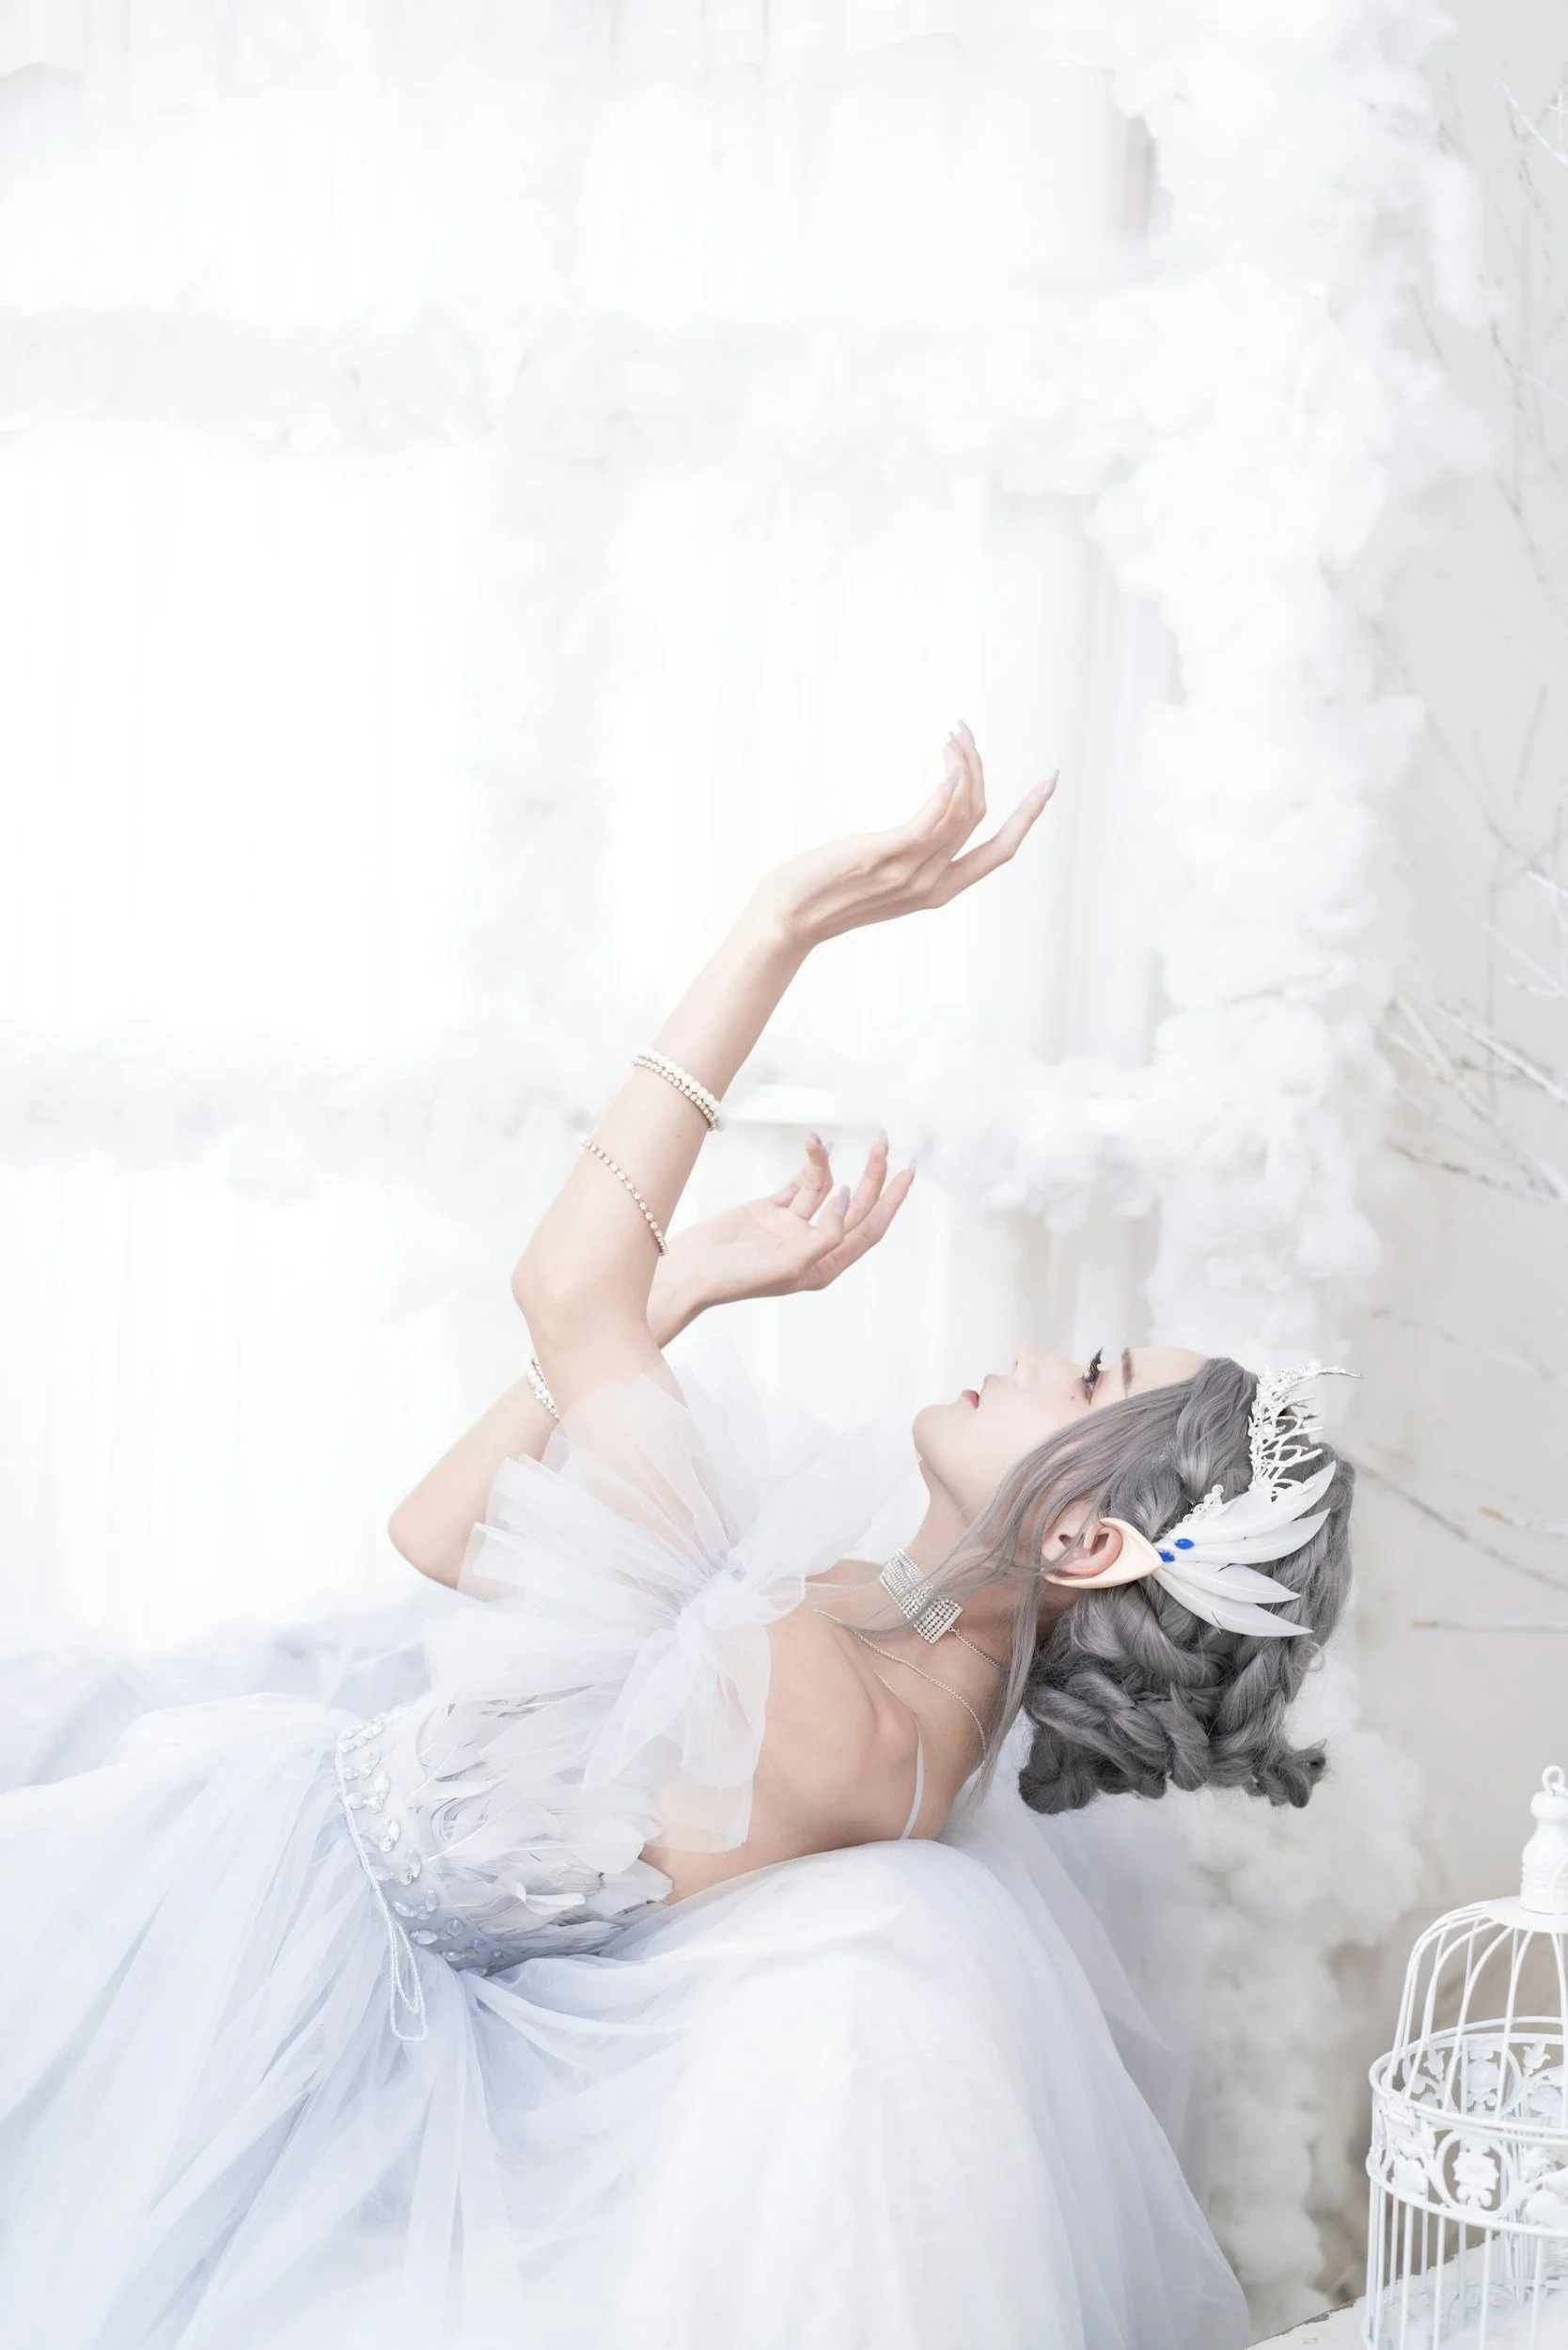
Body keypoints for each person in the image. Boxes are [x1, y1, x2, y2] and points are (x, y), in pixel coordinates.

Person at [0, 728, 1352, 2349]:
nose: (1045, 1355)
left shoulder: (810, 1687)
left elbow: (559, 1289)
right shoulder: (887, 1649)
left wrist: (780, 924)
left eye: (1092, 1380)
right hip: (293, 1877)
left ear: (1082, 1547)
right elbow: (443, 1535)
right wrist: (689, 1285)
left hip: (258, 1955)